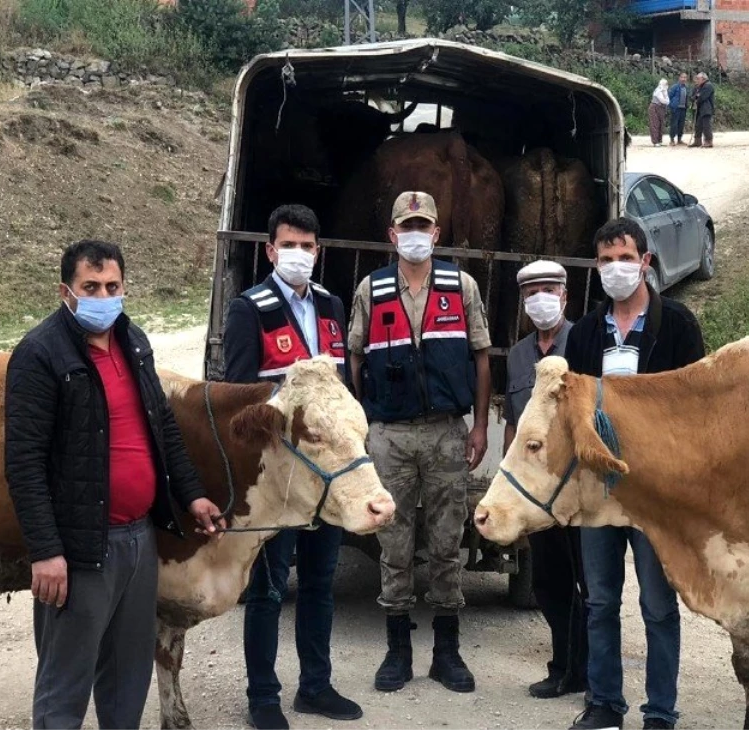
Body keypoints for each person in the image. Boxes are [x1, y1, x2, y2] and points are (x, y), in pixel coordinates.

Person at [5, 239, 223, 730]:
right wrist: (45, 550)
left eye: (112, 286)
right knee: (66, 683)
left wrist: (193, 494)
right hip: (81, 548)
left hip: (138, 540)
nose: (103, 296)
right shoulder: (40, 355)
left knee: (128, 679)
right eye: (91, 287)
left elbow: (162, 426)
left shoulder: (134, 341)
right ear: (66, 291)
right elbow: (23, 462)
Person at [563, 219, 705, 730]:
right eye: (605, 261)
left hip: (654, 495)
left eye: (625, 258)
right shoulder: (582, 334)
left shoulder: (679, 327)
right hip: (599, 492)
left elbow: (697, 410)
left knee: (657, 605)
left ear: (646, 261)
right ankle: (604, 703)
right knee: (599, 601)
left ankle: (660, 711)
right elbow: (570, 411)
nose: (615, 269)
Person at [348, 191, 492, 694]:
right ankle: (398, 652)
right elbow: (356, 358)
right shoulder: (372, 288)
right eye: (405, 225)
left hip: (447, 431)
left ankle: (447, 653)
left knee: (447, 542)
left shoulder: (462, 284)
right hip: (389, 434)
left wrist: (478, 427)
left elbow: (480, 355)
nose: (414, 233)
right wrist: (364, 424)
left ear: (436, 233)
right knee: (394, 542)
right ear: (392, 234)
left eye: (423, 225)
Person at [222, 205, 360, 730]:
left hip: (324, 477)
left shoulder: (331, 305)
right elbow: (239, 397)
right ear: (270, 250)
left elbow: (340, 387)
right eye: (290, 245)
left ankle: (316, 687)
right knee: (269, 587)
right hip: (279, 478)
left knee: (321, 581)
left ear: (318, 251)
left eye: (308, 245)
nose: (299, 254)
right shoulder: (248, 309)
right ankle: (263, 697)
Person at [504, 260, 587, 700]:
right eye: (531, 292)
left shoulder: (586, 341)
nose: (540, 299)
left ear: (564, 296)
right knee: (549, 582)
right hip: (537, 493)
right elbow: (513, 425)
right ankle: (563, 667)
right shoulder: (518, 355)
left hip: (581, 489)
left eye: (548, 290)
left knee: (591, 584)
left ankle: (592, 671)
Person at [690, 72, 715, 149]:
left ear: (703, 79)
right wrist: (696, 97)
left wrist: (697, 97)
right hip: (699, 109)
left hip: (706, 108)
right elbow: (693, 96)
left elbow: (702, 97)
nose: (696, 80)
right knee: (698, 125)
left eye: (698, 78)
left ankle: (708, 141)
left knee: (706, 126)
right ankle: (697, 141)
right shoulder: (699, 86)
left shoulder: (708, 86)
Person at [668, 73, 690, 146]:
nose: (683, 79)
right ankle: (672, 140)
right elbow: (669, 97)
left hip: (683, 109)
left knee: (681, 124)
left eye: (685, 77)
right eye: (682, 77)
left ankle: (679, 140)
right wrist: (672, 105)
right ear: (679, 78)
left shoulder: (686, 87)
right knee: (674, 124)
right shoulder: (675, 87)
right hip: (675, 109)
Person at [648, 79, 669, 147]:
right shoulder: (658, 90)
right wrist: (665, 101)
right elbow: (663, 100)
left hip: (661, 108)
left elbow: (668, 101)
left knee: (661, 124)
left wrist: (666, 101)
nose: (666, 85)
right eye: (665, 84)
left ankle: (659, 140)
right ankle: (655, 141)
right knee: (655, 124)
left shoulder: (665, 91)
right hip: (654, 107)